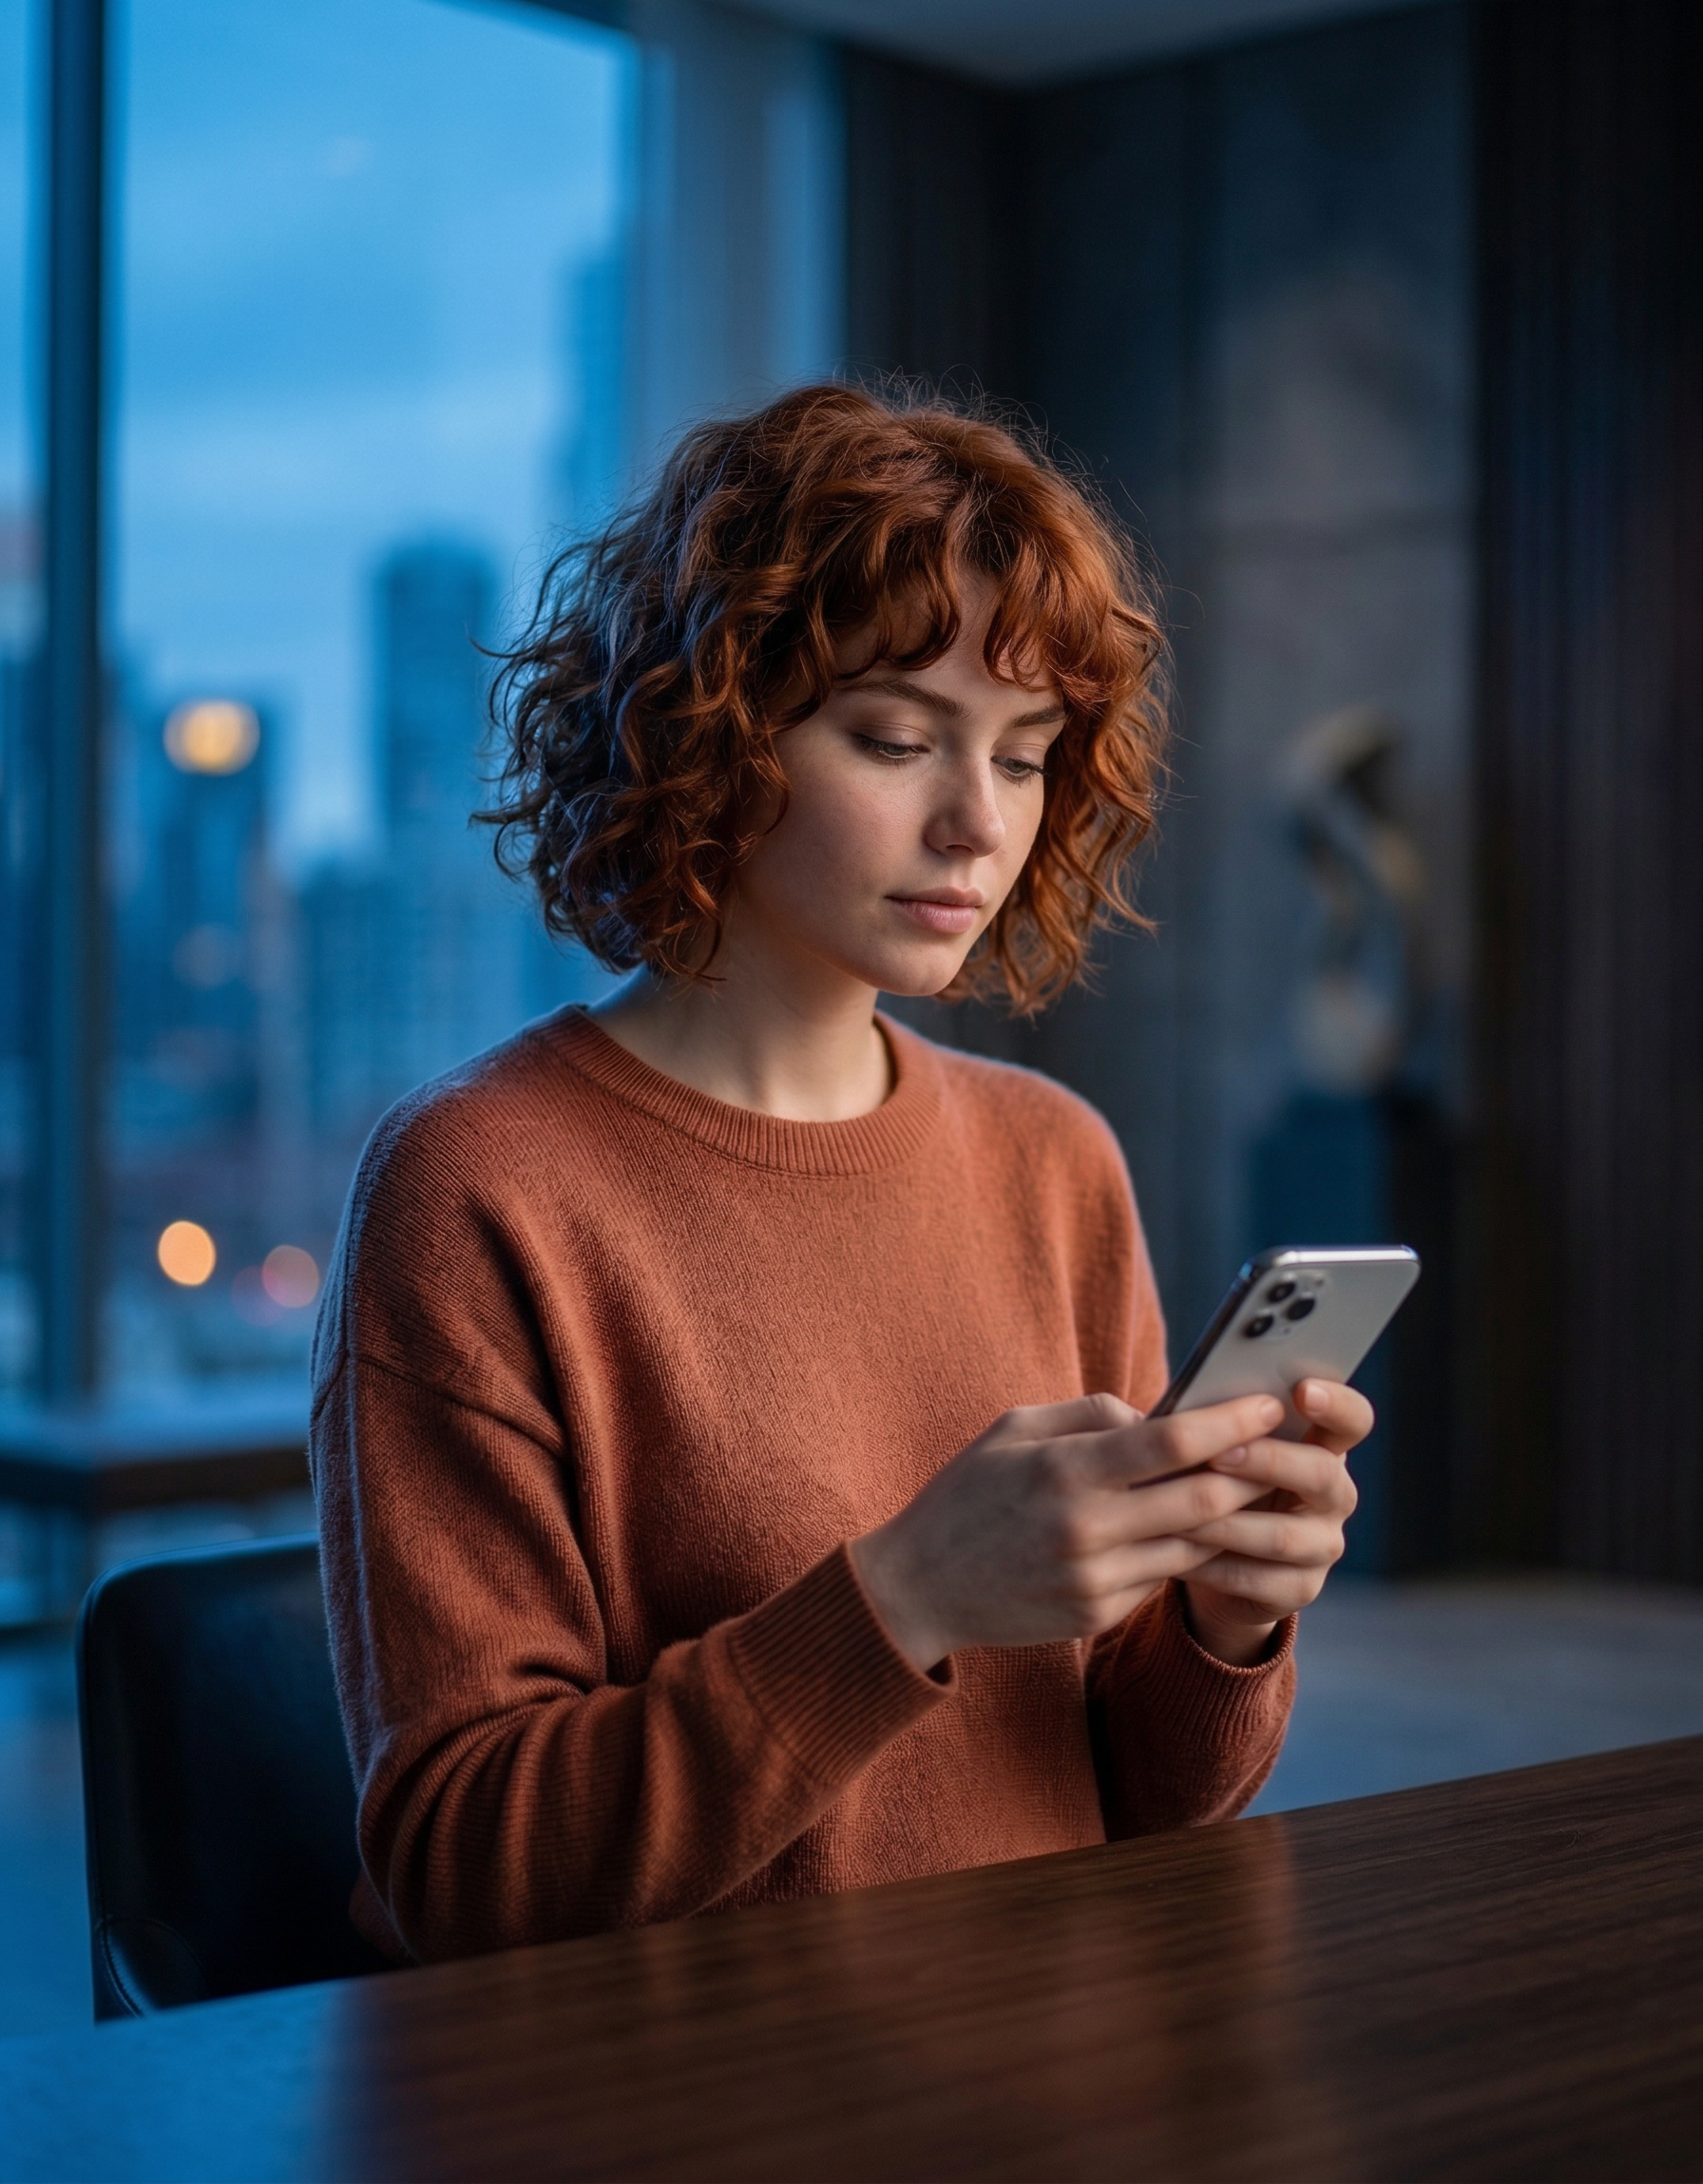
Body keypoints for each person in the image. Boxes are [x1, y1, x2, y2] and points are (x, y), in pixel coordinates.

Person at [312, 382, 1369, 1966]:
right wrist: (903, 1603)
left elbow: (1146, 1814)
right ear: (706, 730)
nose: (976, 825)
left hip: (1038, 2059)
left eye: (1024, 759)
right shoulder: (480, 1186)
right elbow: (466, 1875)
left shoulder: (1051, 1157)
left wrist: (1225, 1622)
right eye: (896, 739)